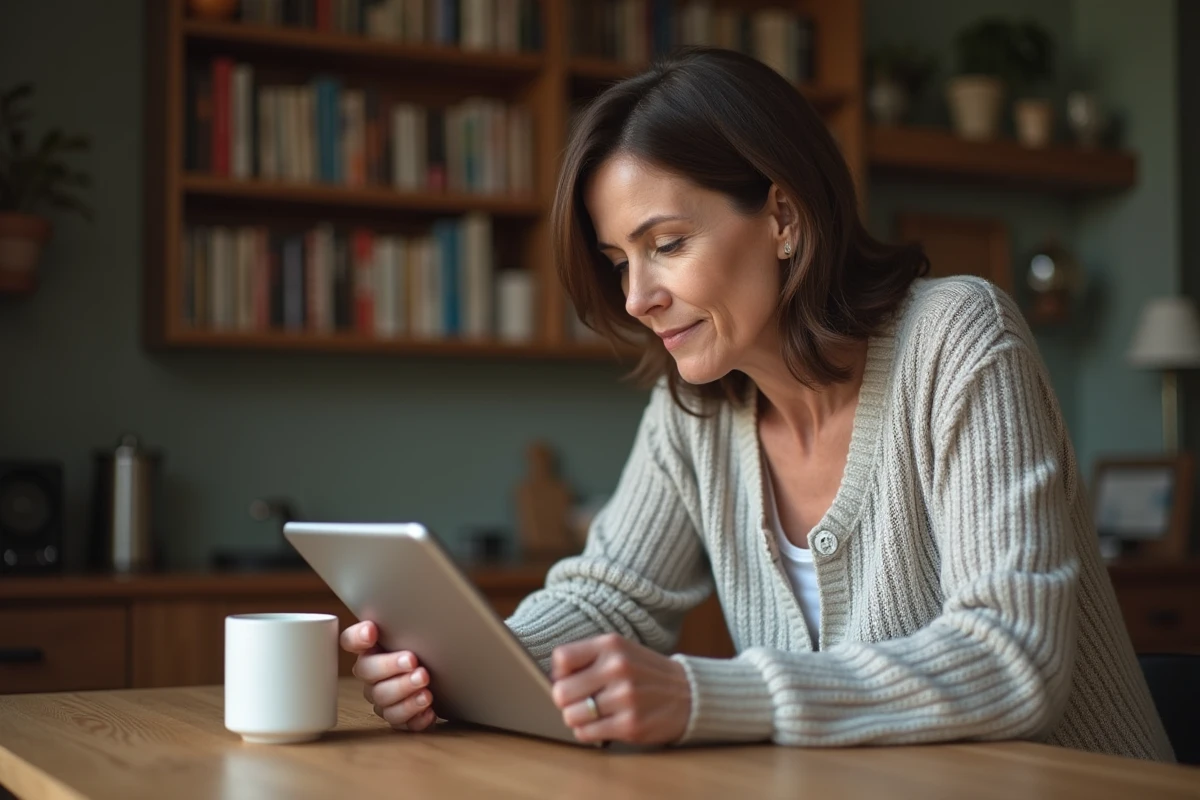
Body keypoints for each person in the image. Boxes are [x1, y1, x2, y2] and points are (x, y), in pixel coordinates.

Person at [340, 47, 1173, 761]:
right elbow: (609, 598)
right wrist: (472, 664)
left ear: (782, 215)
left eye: (666, 245)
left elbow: (1011, 659)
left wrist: (713, 696)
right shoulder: (696, 411)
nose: (636, 297)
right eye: (618, 261)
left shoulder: (956, 336)